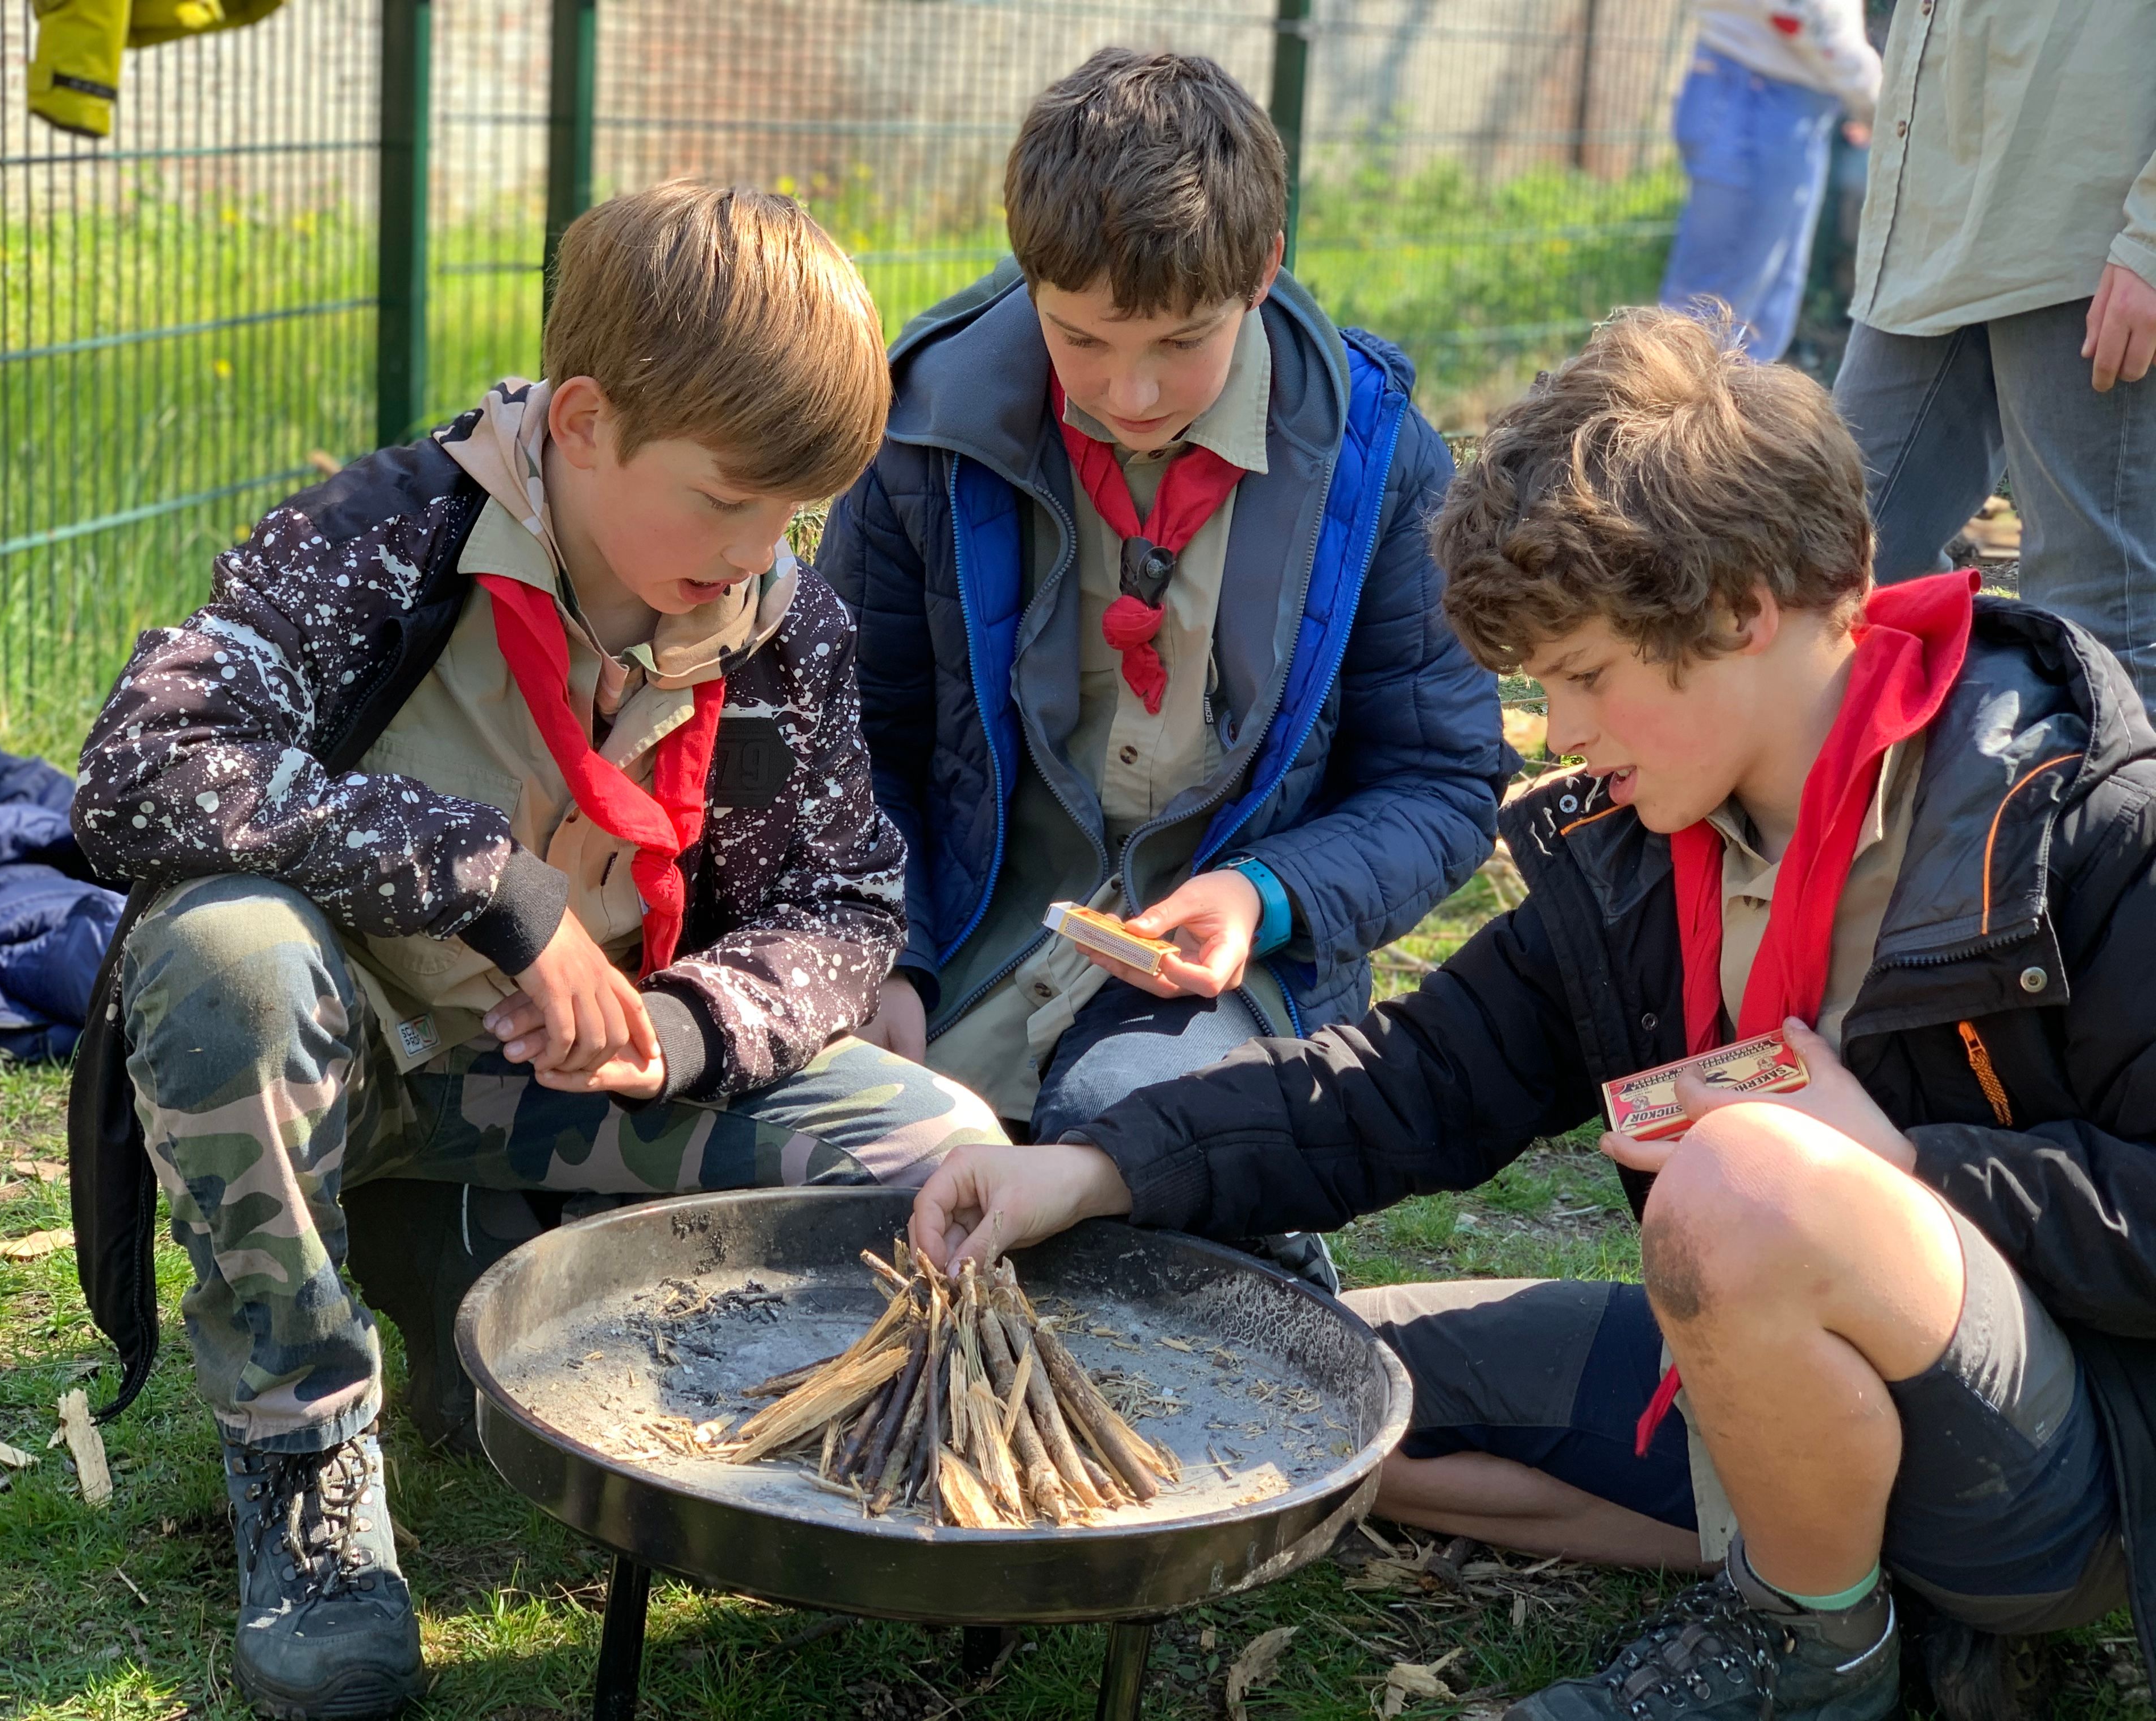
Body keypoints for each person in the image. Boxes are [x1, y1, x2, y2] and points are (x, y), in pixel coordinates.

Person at [912, 308, 2154, 1721]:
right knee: (1320, 1402)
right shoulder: (1641, 848)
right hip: (1762, 1371)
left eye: (1586, 679)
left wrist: (1910, 1175)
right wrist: (1085, 1166)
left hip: (2067, 1475)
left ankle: (1812, 1660)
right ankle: (1851, 1579)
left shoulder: (2081, 831)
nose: (1559, 735)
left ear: (1744, 609)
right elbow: (1400, 1083)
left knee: (1750, 1181)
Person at [63, 184, 1005, 1720]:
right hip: (344, 1092)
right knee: (217, 954)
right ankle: (310, 1469)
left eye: (796, 513)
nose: (761, 548)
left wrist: (690, 1027)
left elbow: (847, 910)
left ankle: (716, 1415)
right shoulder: (382, 537)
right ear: (580, 421)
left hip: (581, 1107)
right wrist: (485, 881)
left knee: (942, 1152)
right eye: (726, 500)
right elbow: (139, 767)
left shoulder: (783, 623)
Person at [818, 49, 1510, 1289]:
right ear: (1028, 275)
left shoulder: (1380, 461)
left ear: (1264, 266)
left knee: (1118, 1132)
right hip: (970, 944)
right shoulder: (921, 431)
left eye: (1180, 345)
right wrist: (893, 955)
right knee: (851, 1194)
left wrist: (1264, 895)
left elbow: (1444, 782)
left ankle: (1265, 1248)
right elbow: (858, 747)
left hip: (1221, 984)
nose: (1129, 392)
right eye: (1080, 338)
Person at [1833, 0, 2156, 705]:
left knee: (2101, 629)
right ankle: (1963, 802)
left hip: (2088, 238)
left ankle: (2110, 816)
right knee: (1831, 561)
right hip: (1931, 228)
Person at [1658, 0, 1881, 363]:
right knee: (1704, 327)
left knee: (1752, 327)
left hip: (1771, 93)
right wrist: (1878, 101)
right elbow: (1807, 12)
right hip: (1761, 94)